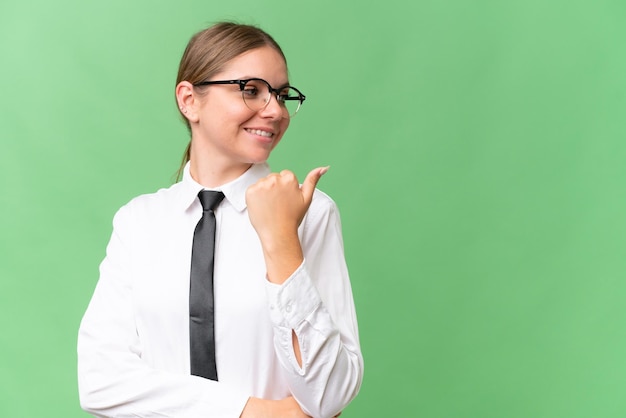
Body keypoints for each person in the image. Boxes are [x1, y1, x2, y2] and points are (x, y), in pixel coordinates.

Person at [77, 22, 363, 418]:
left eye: (281, 94)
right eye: (251, 90)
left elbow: (330, 394)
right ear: (189, 100)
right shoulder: (138, 222)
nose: (275, 110)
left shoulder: (309, 212)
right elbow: (100, 381)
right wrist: (253, 411)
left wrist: (281, 240)